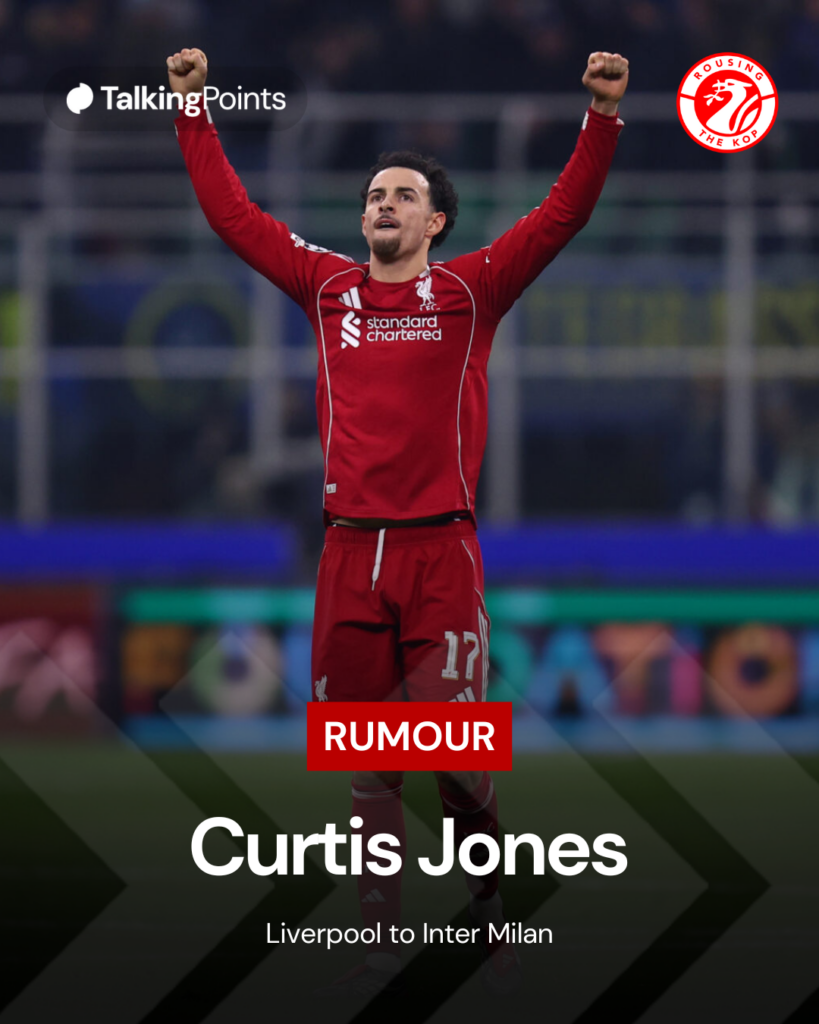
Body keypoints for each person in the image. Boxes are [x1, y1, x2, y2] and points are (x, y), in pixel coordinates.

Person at [168, 45, 628, 997]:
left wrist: (601, 119)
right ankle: (382, 929)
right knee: (372, 756)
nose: (382, 202)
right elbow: (233, 217)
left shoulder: (469, 293)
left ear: (436, 220)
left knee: (452, 759)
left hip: (439, 551)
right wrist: (191, 109)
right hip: (346, 552)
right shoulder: (326, 289)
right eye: (375, 191)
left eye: (402, 193)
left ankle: (490, 899)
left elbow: (561, 217)